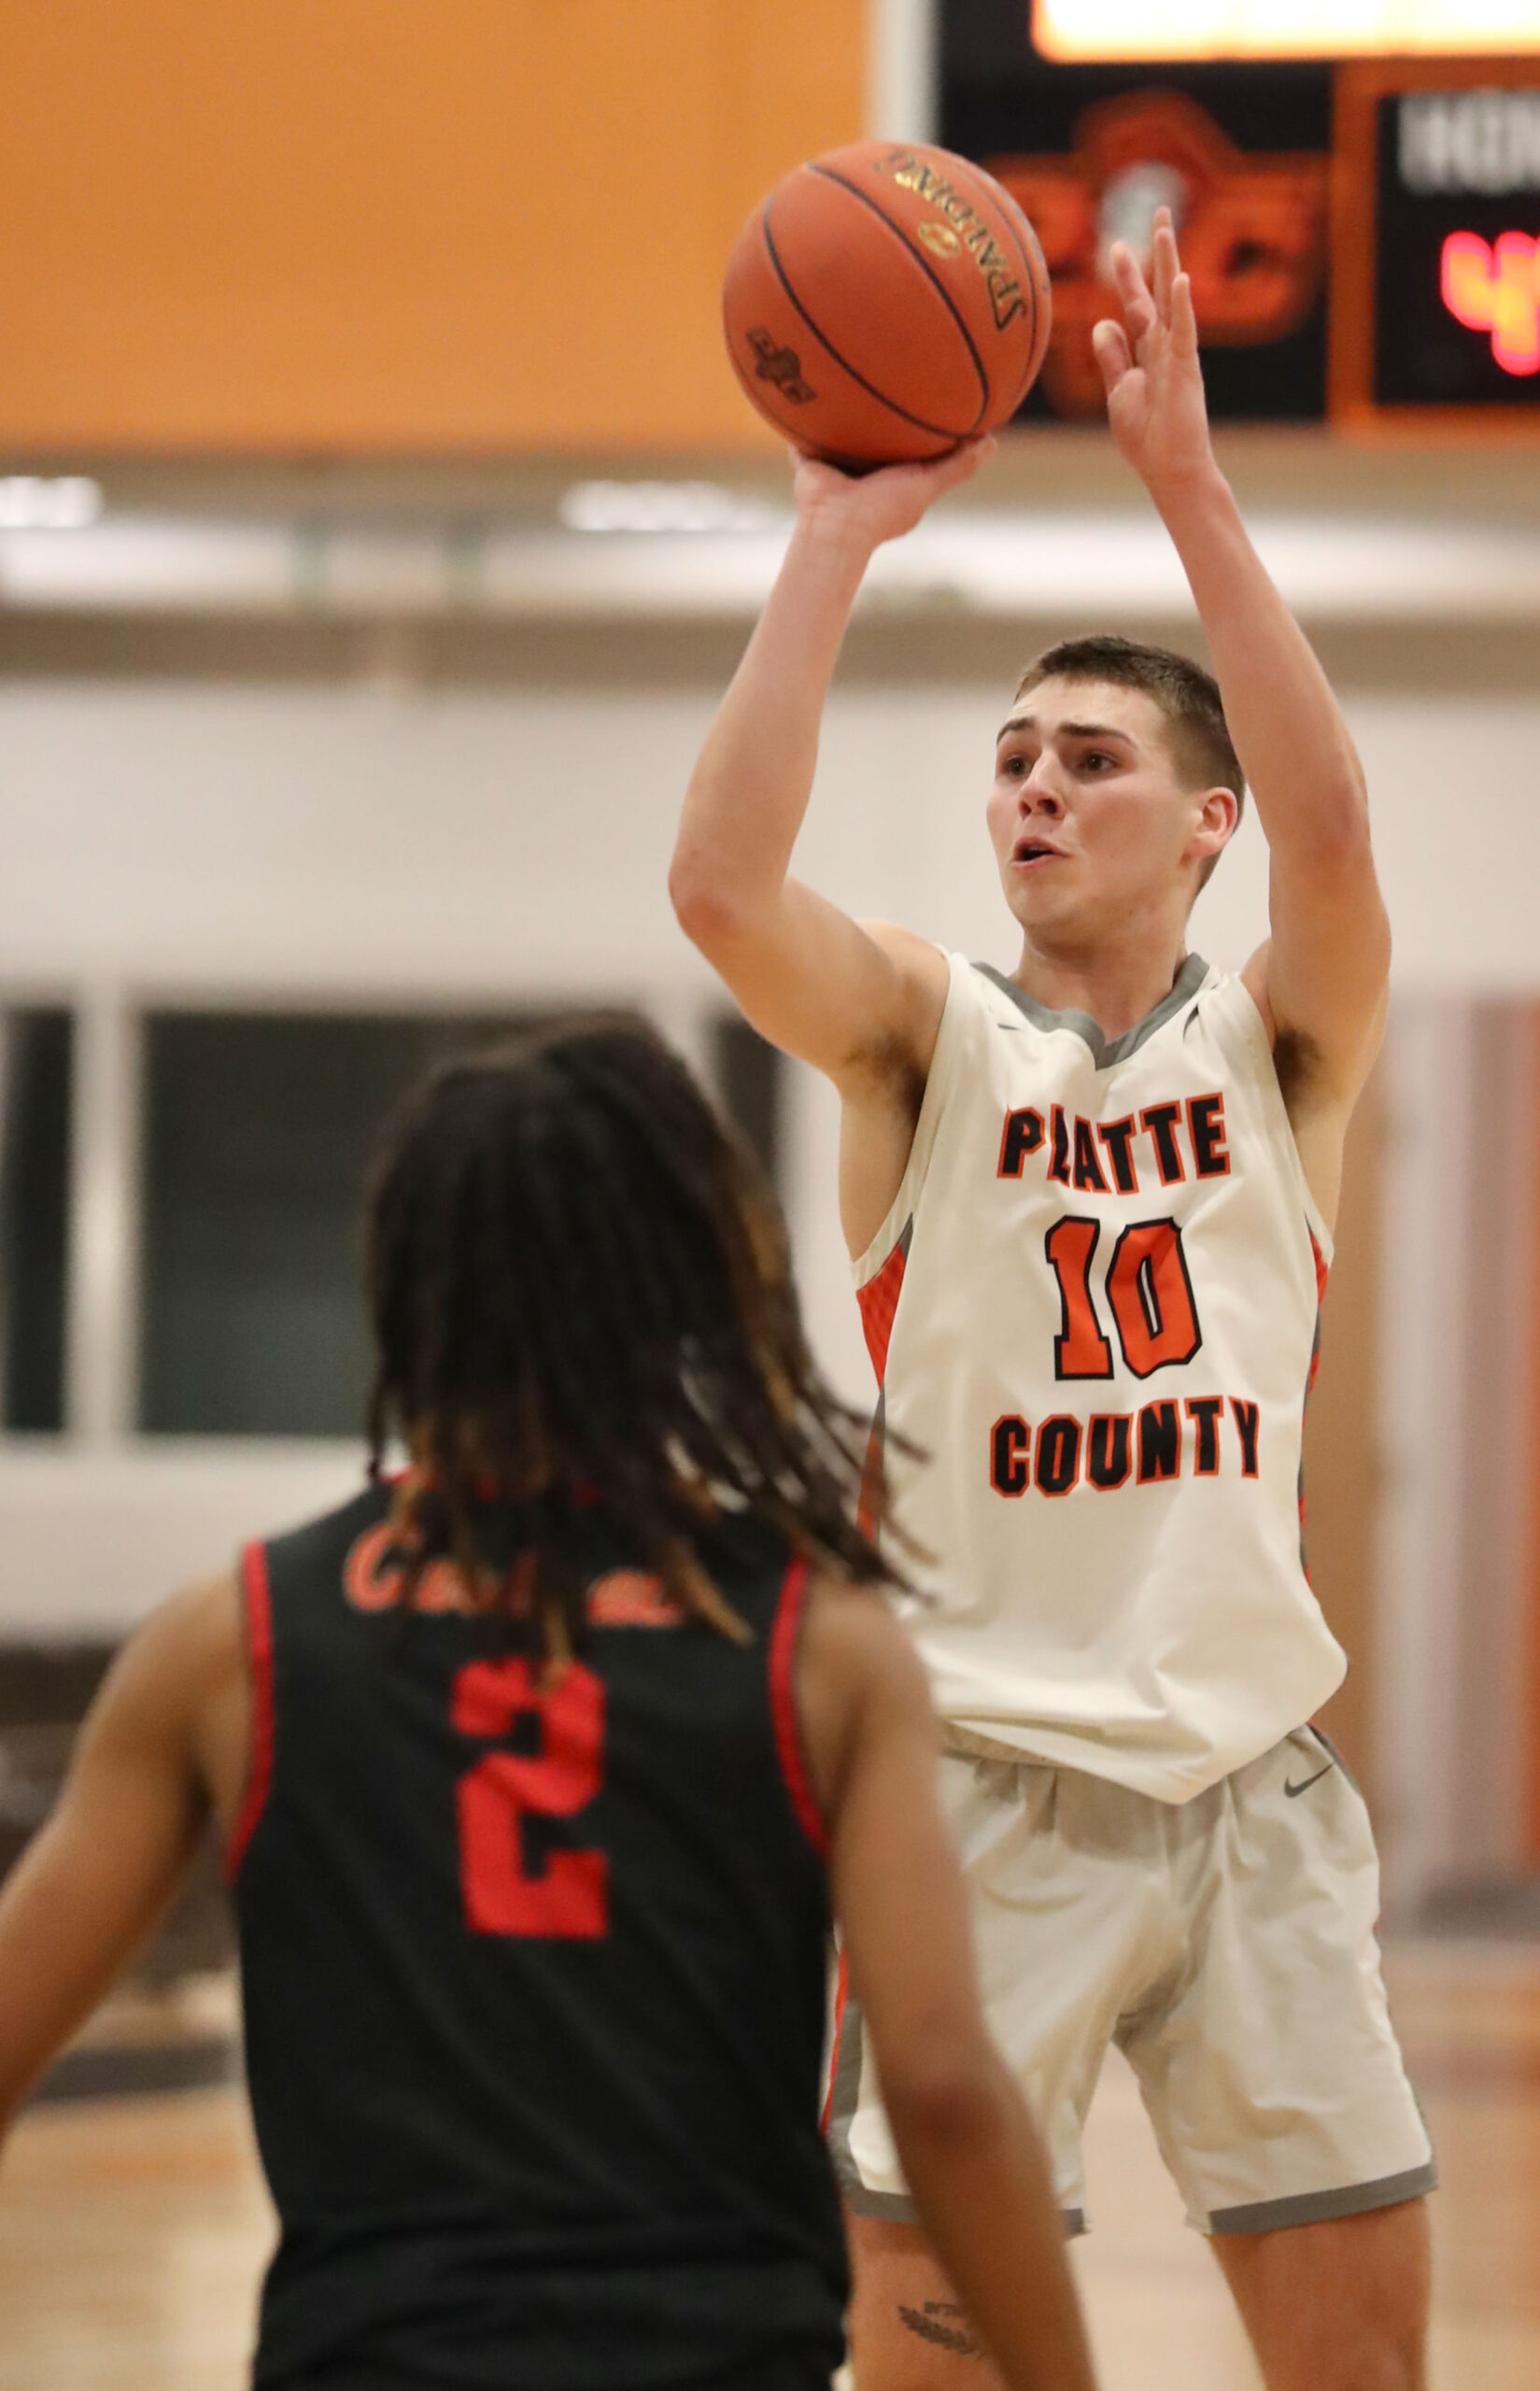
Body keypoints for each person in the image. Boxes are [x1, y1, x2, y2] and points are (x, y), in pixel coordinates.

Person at [671, 213, 1433, 2391]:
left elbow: (1342, 832)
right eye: (1014, 757)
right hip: (982, 1792)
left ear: (1204, 825)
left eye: (1090, 757)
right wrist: (832, 537)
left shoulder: (1280, 1047)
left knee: (1365, 2368)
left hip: (1253, 1786)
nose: (1034, 785)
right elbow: (720, 887)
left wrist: (1188, 481)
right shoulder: (930, 1039)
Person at [0, 1019, 1095, 2391]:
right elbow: (939, 2087)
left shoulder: (232, 1644)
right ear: (692, 1292)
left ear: (405, 1292)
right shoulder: (817, 1649)